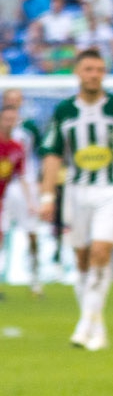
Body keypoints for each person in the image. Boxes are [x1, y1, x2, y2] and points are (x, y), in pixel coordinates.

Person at [37, 49, 113, 351]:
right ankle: (97, 326)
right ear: (78, 72)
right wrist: (47, 194)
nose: (95, 74)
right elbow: (53, 154)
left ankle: (84, 325)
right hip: (77, 191)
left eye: (100, 69)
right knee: (81, 259)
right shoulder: (64, 111)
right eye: (89, 69)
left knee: (101, 252)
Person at [2, 88, 49, 294]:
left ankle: (35, 277)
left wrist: (40, 183)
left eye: (17, 100)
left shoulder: (29, 128)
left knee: (32, 232)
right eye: (9, 100)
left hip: (25, 185)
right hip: (5, 187)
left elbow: (42, 155)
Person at [0, 105, 36, 296]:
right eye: (6, 119)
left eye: (12, 119)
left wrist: (30, 201)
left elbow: (21, 176)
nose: (9, 123)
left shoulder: (17, 147)